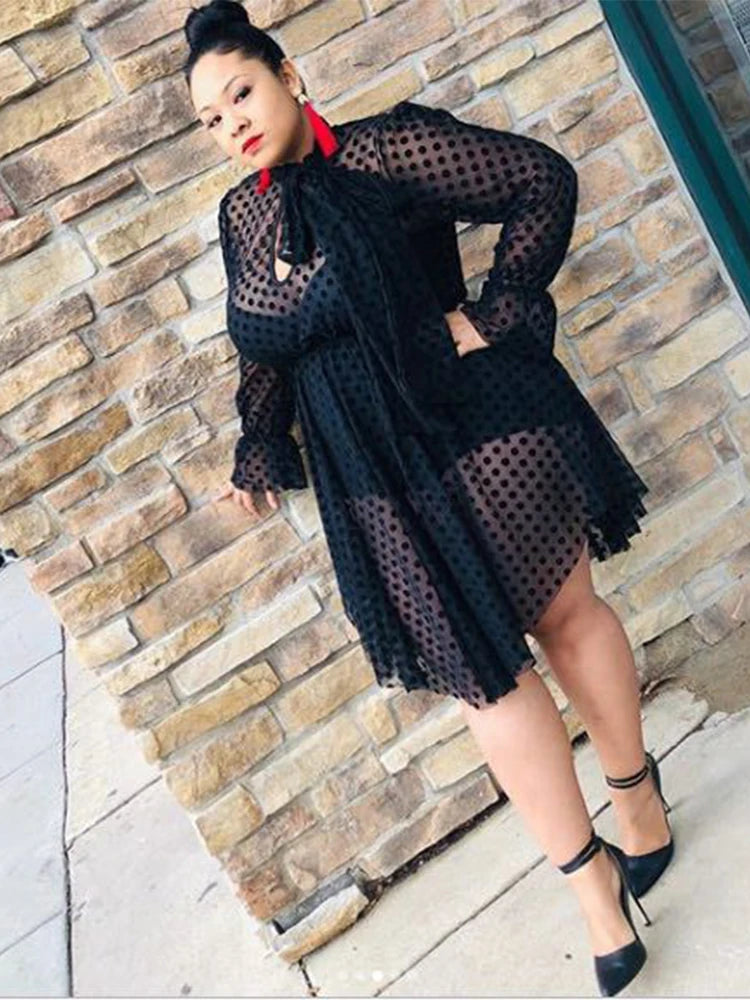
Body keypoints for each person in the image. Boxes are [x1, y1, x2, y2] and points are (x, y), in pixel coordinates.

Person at [184, 2, 673, 993]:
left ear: (290, 76)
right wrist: (257, 449)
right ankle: (592, 884)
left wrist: (494, 314)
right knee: (480, 677)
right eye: (211, 119)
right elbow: (267, 350)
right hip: (373, 471)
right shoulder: (242, 219)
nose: (232, 123)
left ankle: (638, 801)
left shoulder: (387, 150)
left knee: (563, 618)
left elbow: (542, 180)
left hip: (475, 423)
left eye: (241, 93)